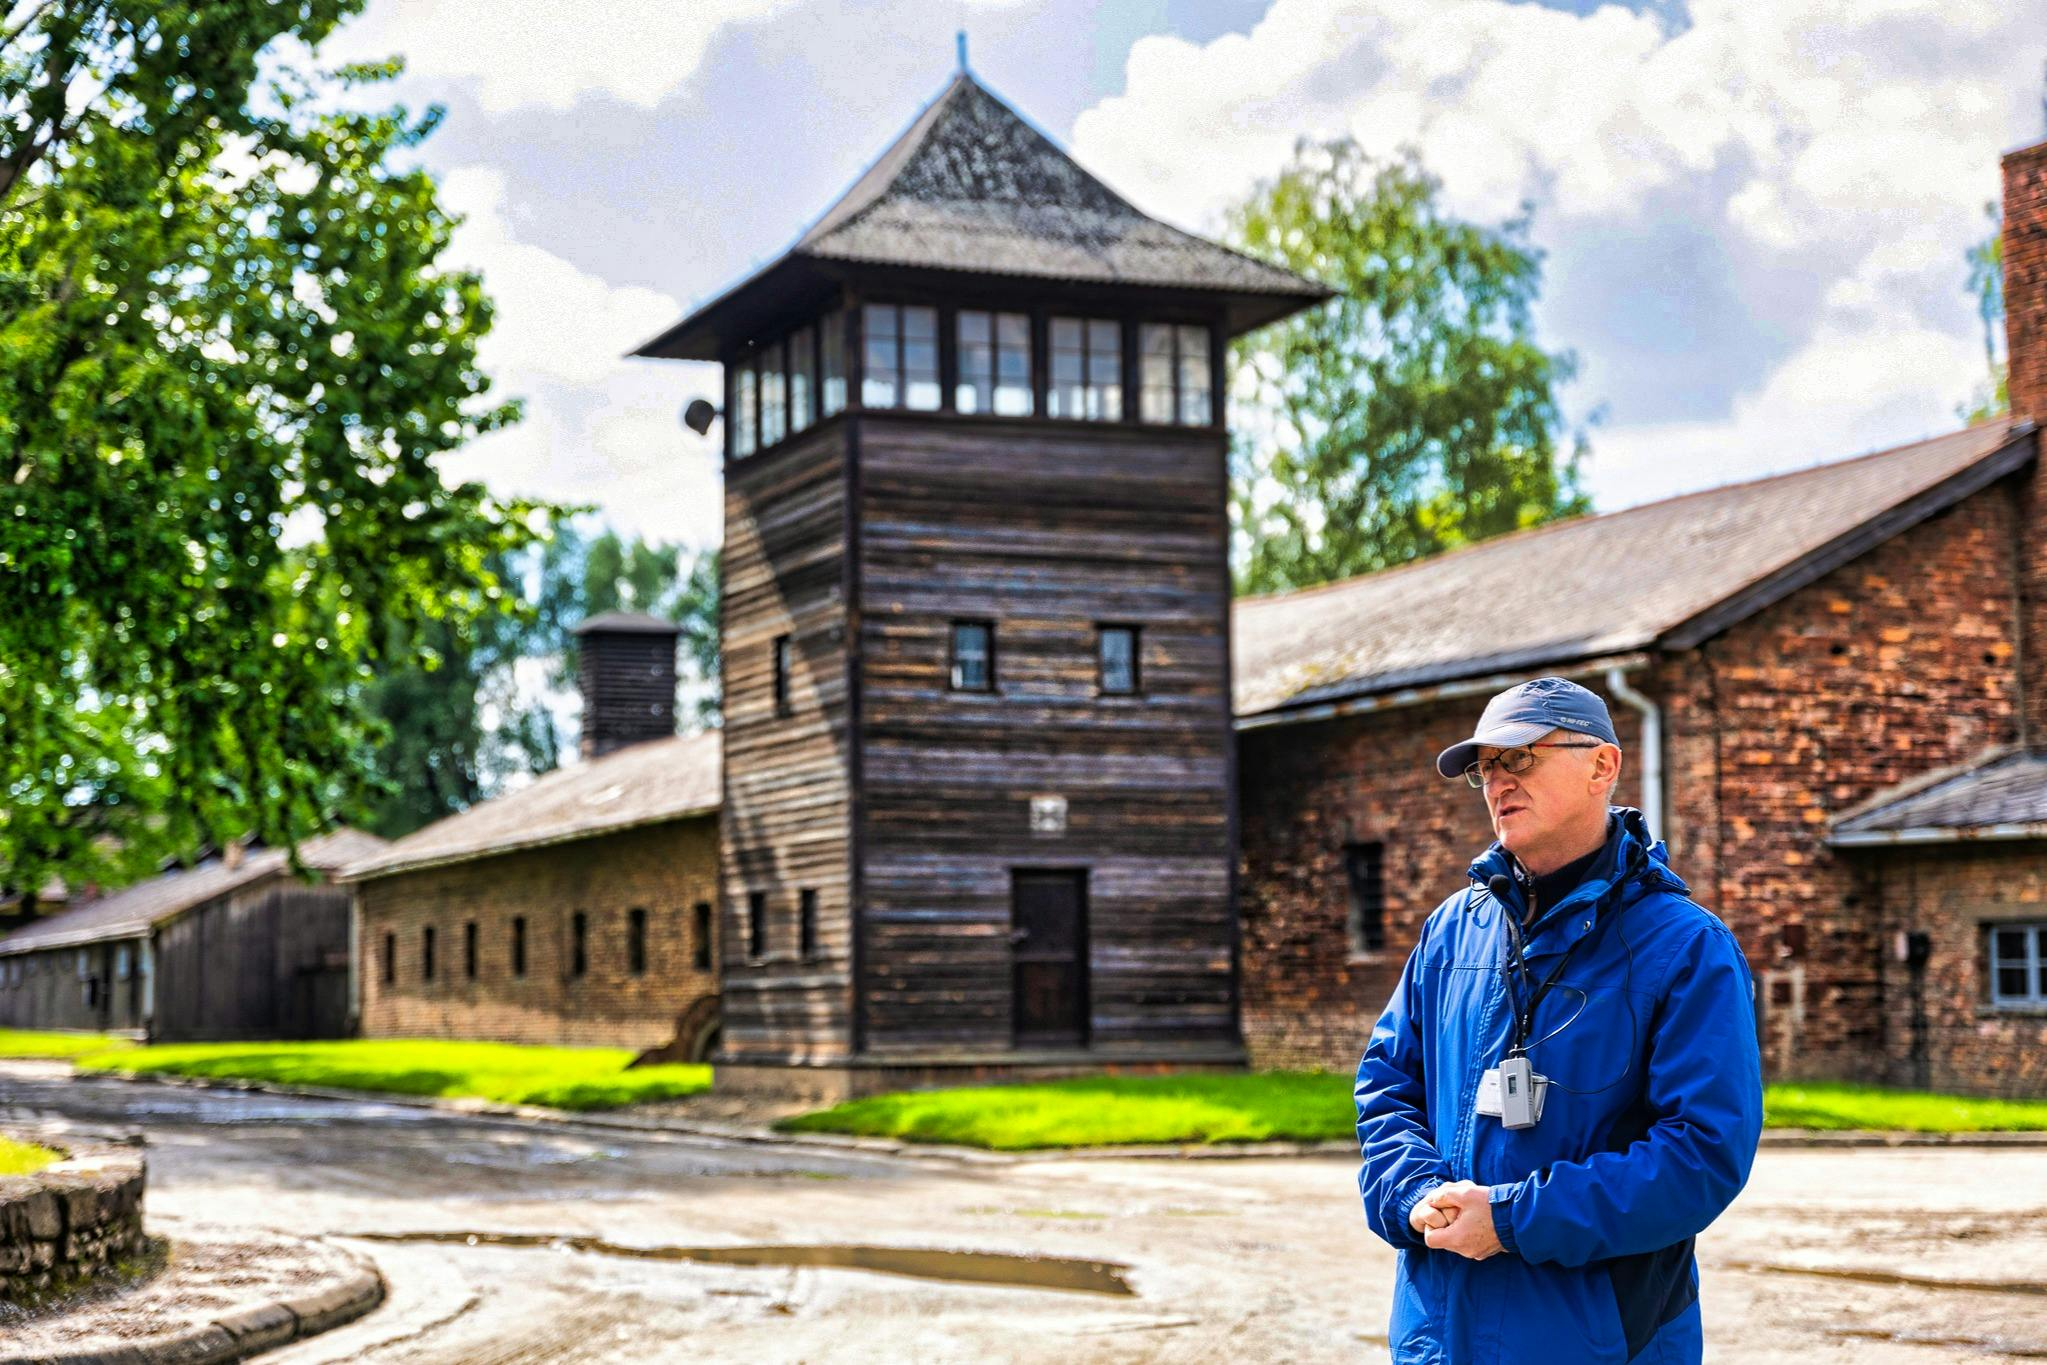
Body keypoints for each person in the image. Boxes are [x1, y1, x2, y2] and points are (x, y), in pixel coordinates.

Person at [1354, 675, 1763, 1364]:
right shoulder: (1452, 929)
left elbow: (1701, 1152)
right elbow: (1387, 1084)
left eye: (1520, 758)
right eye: (1485, 768)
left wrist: (1512, 1218)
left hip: (1595, 1342)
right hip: (1436, 1336)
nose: (1497, 782)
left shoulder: (1686, 947)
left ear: (1602, 765)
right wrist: (1413, 1193)